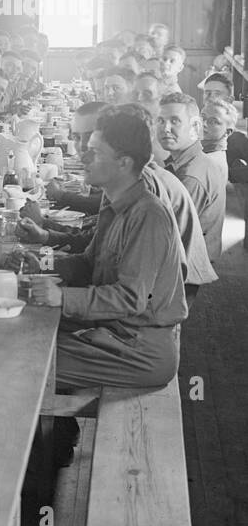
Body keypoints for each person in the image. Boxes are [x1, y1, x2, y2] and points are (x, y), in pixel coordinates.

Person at [27, 109, 187, 390]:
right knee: (26, 327)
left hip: (137, 349)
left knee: (25, 361)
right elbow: (89, 263)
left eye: (94, 153)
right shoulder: (115, 202)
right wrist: (42, 263)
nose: (83, 157)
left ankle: (56, 432)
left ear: (123, 163)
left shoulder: (148, 215)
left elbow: (131, 298)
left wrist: (61, 296)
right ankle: (57, 432)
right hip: (114, 332)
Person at [158, 93, 225, 262]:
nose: (165, 128)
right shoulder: (187, 160)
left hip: (185, 266)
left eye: (175, 121)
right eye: (160, 121)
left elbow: (168, 234)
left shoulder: (190, 176)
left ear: (195, 126)